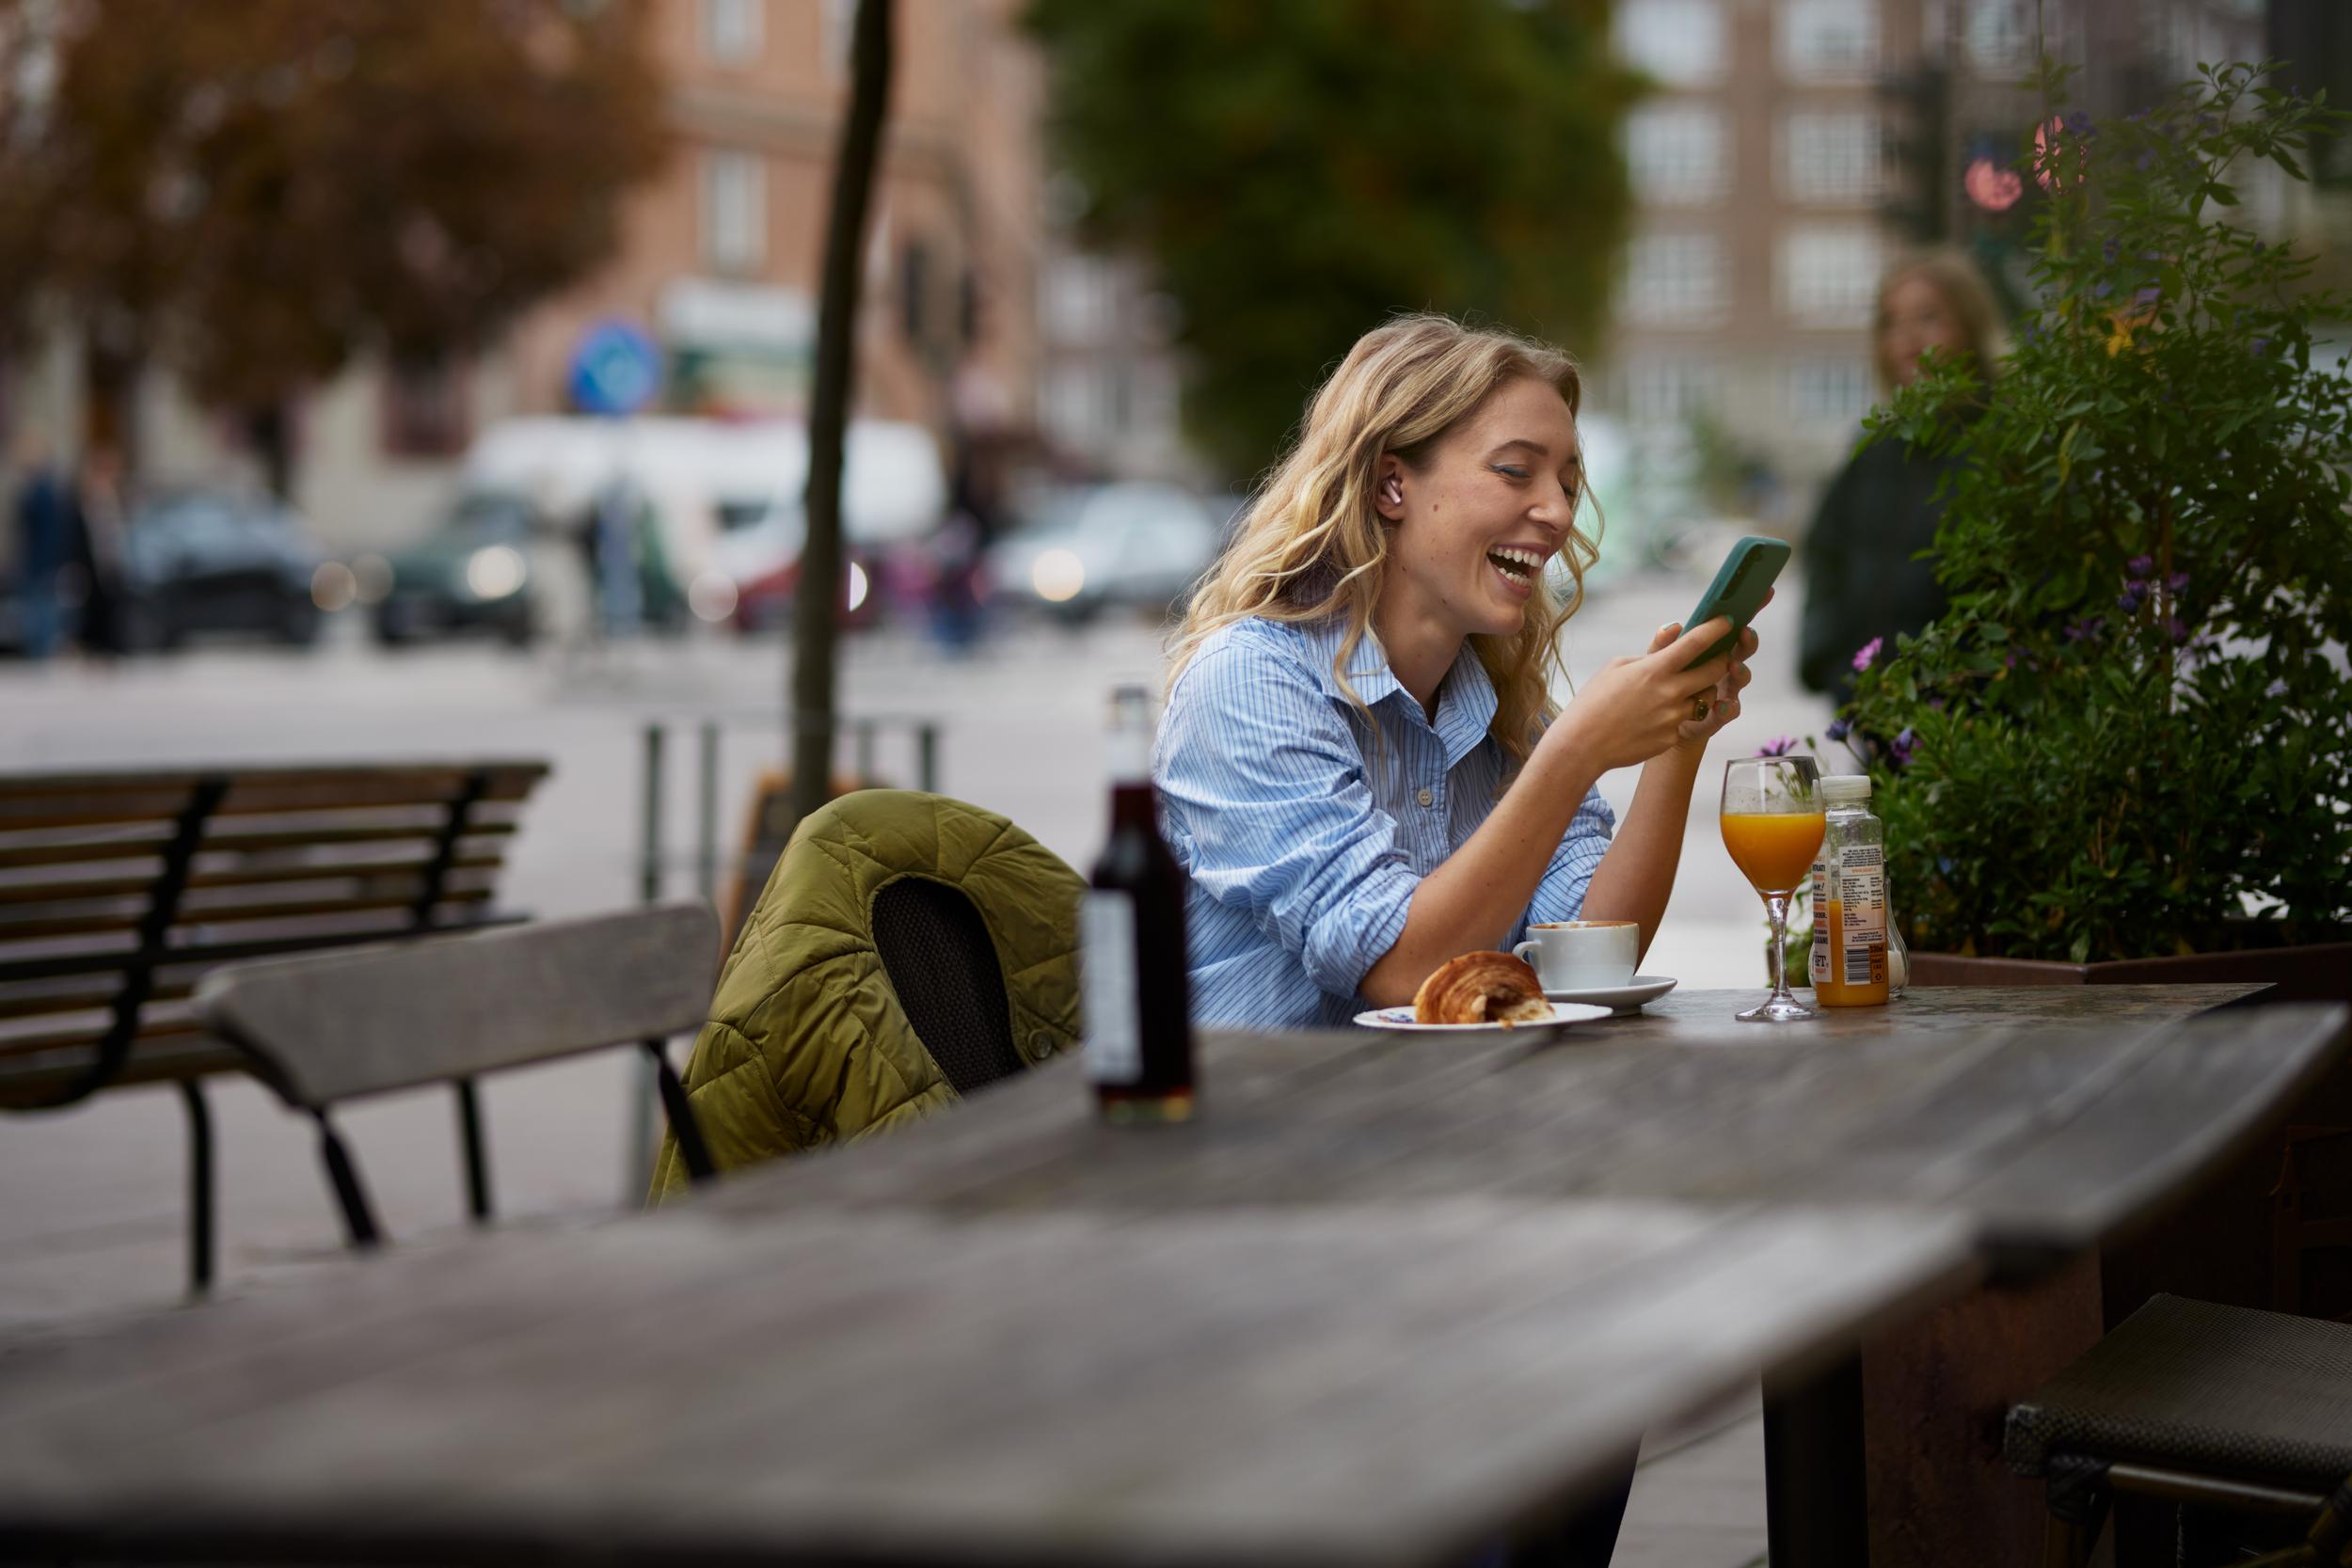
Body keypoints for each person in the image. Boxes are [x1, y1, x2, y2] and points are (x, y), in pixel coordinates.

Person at [1798, 247, 2006, 702]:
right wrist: (1831, 665)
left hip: (1977, 727)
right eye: (1891, 322)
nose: (1908, 339)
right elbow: (1823, 557)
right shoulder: (1873, 450)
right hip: (1876, 715)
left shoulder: (2006, 443)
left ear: (1970, 327)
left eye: (1929, 317)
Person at [9, 427, 71, 660]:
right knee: (38, 606)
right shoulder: (36, 488)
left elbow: (47, 530)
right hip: (37, 559)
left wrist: (46, 559)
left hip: (40, 560)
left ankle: (40, 651)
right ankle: (39, 650)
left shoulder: (42, 491)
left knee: (41, 607)